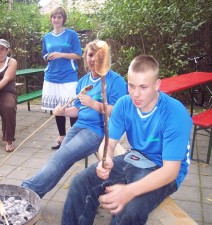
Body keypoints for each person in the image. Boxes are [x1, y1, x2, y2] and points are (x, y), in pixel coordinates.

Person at [61, 54, 193, 225]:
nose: (136, 94)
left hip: (162, 168)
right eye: (131, 86)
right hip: (135, 157)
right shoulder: (124, 104)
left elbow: (170, 171)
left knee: (128, 209)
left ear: (157, 85)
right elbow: (108, 144)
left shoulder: (175, 113)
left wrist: (129, 191)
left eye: (143, 87)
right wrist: (105, 158)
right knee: (80, 182)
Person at [22, 39, 127, 198]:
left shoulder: (115, 80)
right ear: (86, 57)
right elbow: (77, 110)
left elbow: (119, 113)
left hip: (97, 131)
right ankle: (33, 194)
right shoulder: (83, 81)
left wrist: (94, 104)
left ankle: (27, 192)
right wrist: (63, 112)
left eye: (99, 55)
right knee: (60, 159)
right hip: (79, 127)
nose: (93, 59)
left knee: (61, 157)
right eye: (90, 55)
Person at [41, 6, 82, 150]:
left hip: (68, 77)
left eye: (59, 17)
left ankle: (74, 139)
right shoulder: (46, 37)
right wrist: (47, 56)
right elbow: (44, 54)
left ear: (63, 19)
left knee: (71, 107)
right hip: (51, 77)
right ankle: (61, 138)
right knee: (57, 108)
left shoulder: (71, 34)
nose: (56, 20)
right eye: (54, 17)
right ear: (51, 19)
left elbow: (78, 54)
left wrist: (61, 54)